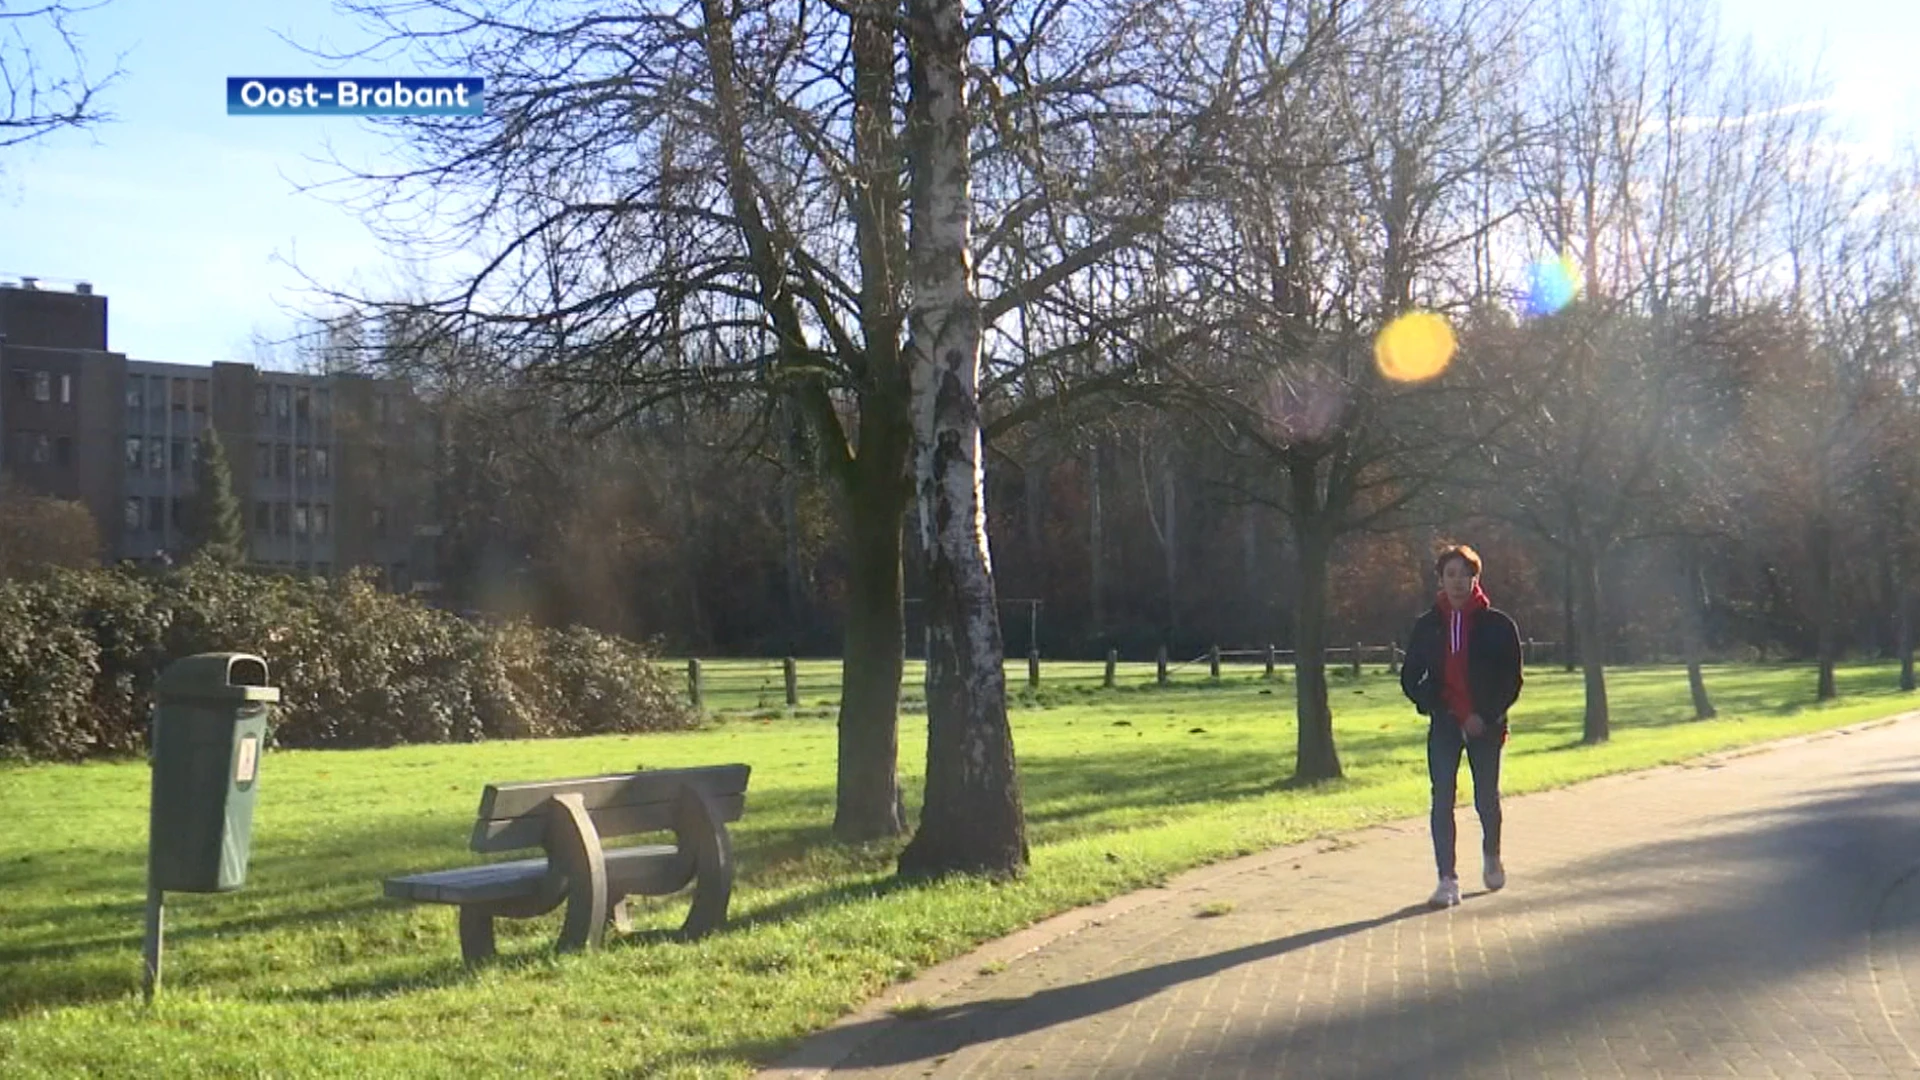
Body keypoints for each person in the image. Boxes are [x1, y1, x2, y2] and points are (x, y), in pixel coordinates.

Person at [1399, 543, 1523, 909]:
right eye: (1450, 575)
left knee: (1486, 797)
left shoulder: (1498, 625)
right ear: (1440, 579)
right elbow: (1410, 677)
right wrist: (1437, 706)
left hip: (1485, 724)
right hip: (1445, 724)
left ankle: (1491, 854)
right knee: (1442, 799)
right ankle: (1446, 879)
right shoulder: (1427, 626)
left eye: (1464, 575)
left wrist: (1484, 715)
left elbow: (1511, 680)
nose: (1457, 582)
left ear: (1475, 578)